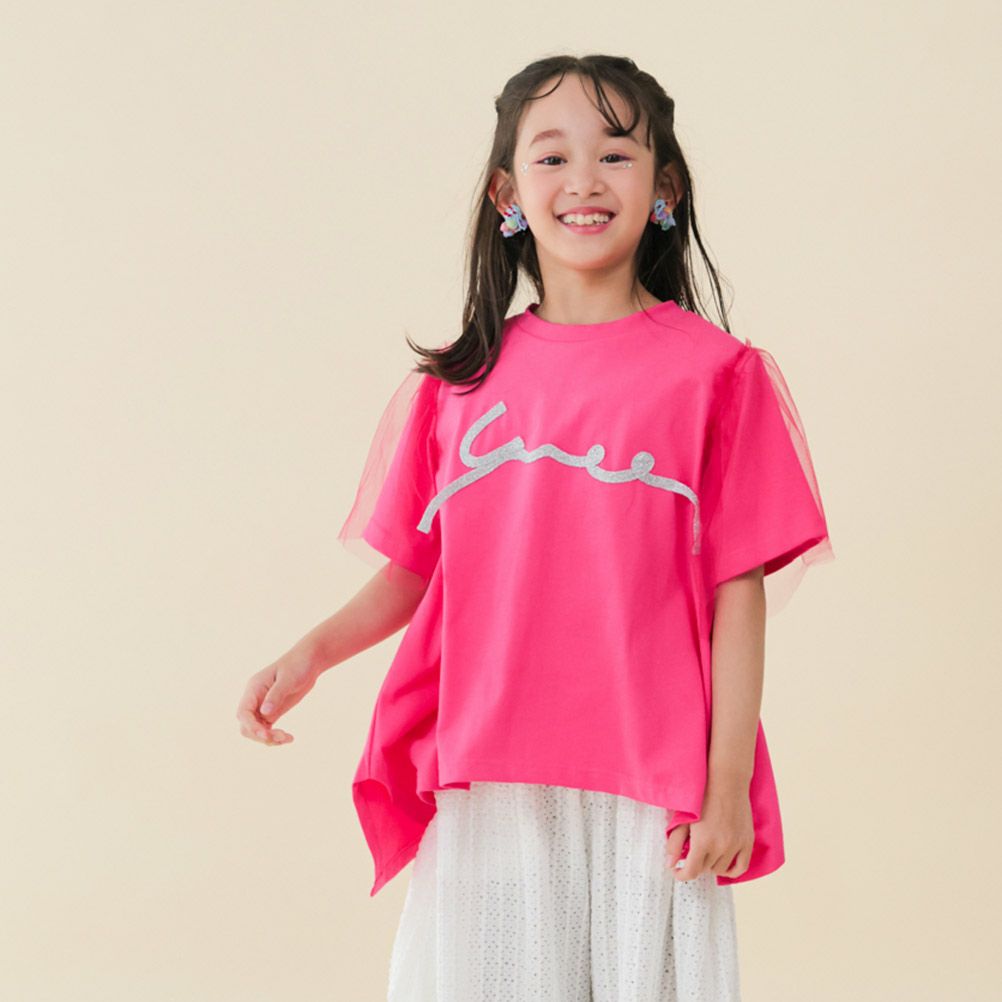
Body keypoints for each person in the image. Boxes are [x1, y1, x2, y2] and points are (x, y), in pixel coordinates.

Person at [236, 53, 835, 1002]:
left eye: (616, 154)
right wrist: (310, 654)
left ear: (665, 188)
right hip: (492, 772)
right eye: (552, 158)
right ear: (507, 194)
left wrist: (725, 787)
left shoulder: (717, 375)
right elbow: (416, 569)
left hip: (652, 779)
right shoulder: (460, 385)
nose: (585, 181)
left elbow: (738, 590)